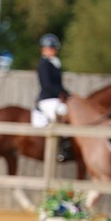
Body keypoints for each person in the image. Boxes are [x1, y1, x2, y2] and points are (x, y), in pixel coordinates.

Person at [34, 33, 74, 162]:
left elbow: (58, 84)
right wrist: (63, 92)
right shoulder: (44, 64)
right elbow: (47, 85)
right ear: (44, 49)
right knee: (62, 113)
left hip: (56, 97)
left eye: (54, 48)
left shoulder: (55, 63)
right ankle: (61, 149)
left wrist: (67, 94)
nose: (53, 51)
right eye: (51, 48)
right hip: (48, 99)